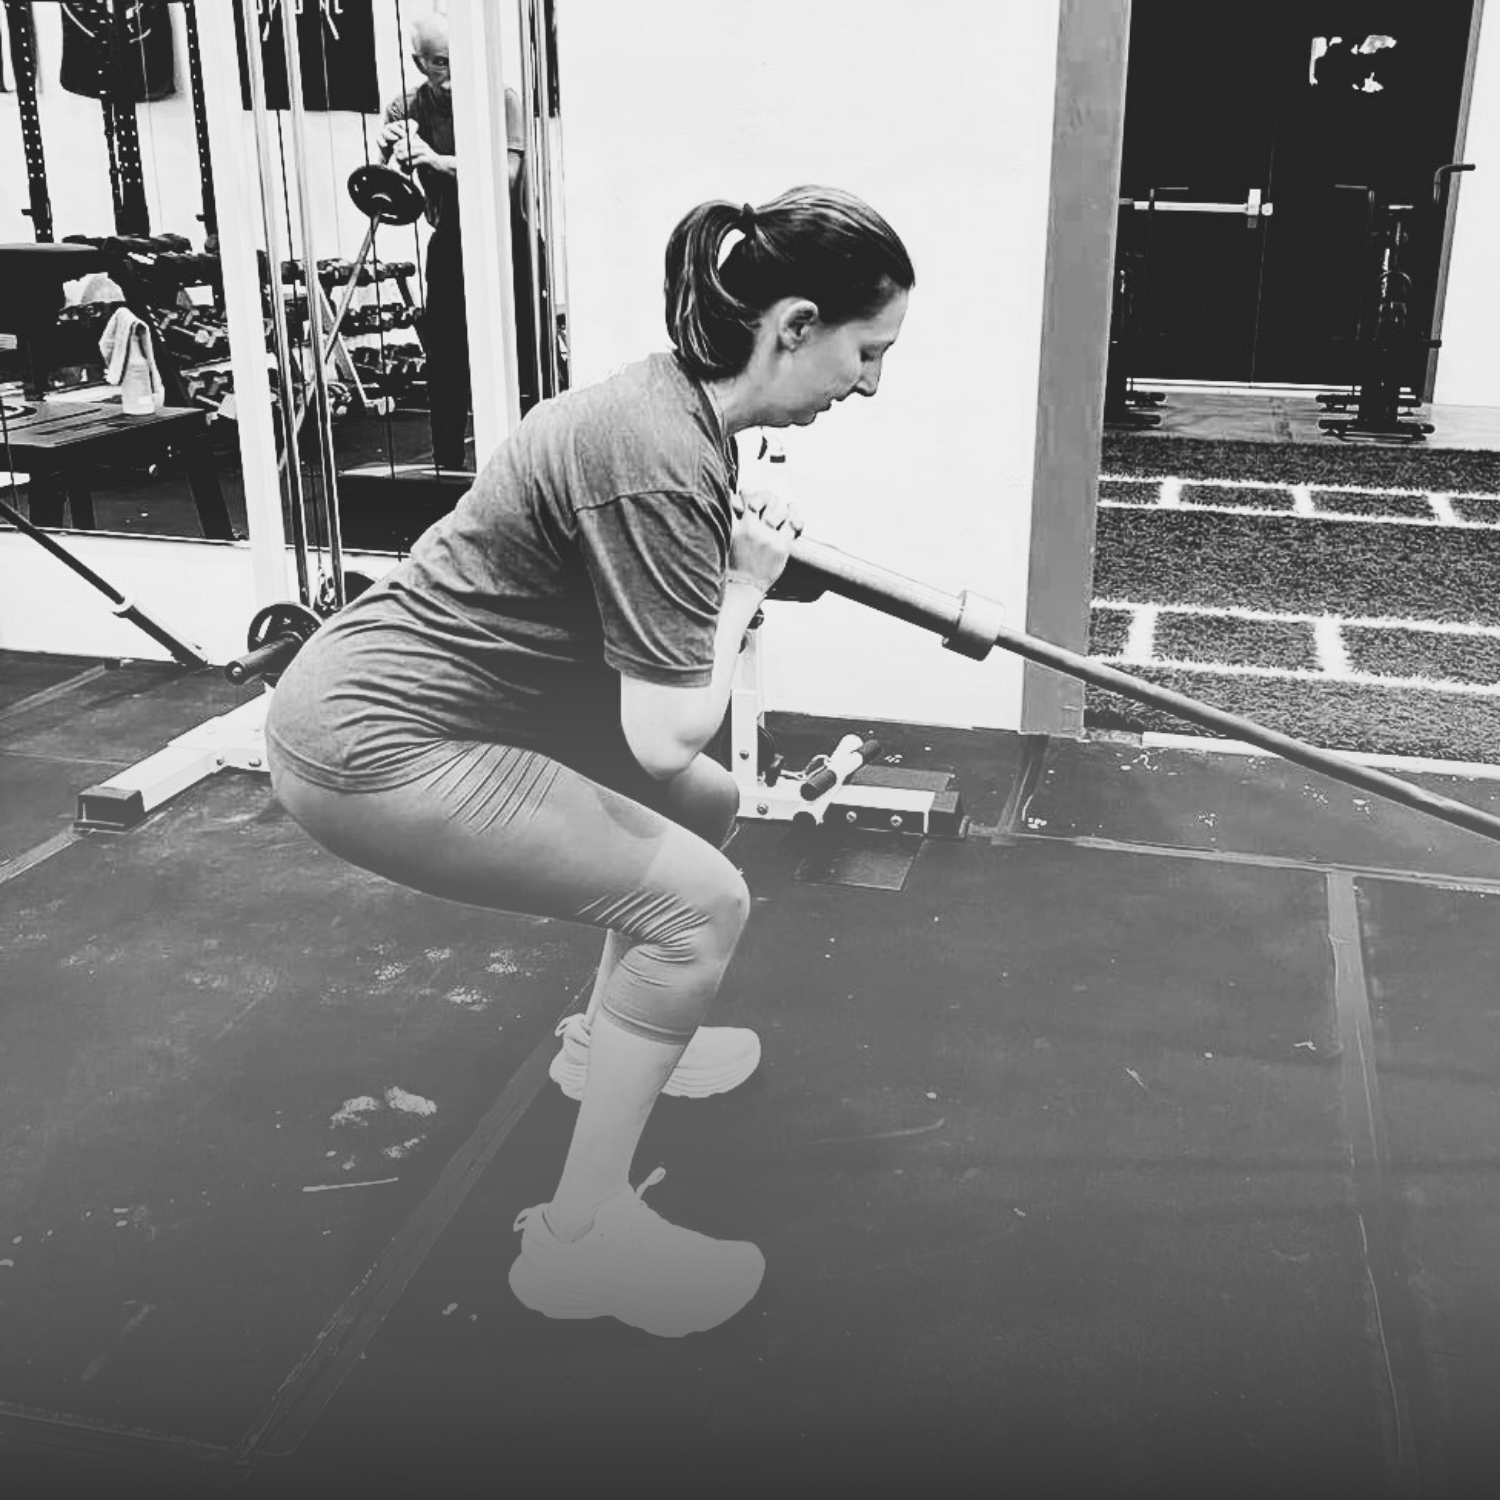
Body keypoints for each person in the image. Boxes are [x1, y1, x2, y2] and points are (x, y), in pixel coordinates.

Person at [265, 185, 914, 1338]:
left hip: (450, 700)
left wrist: (724, 554)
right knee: (702, 904)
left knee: (702, 810)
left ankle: (598, 1044)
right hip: (375, 742)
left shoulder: (677, 413)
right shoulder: (661, 455)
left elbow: (672, 759)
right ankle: (579, 1241)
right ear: (796, 325)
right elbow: (669, 727)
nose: (871, 385)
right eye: (869, 352)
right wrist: (742, 583)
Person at [377, 13, 534, 469]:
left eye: (457, 61)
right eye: (442, 63)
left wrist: (435, 159)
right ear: (419, 62)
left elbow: (504, 177)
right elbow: (392, 196)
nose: (452, 74)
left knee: (523, 358)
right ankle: (447, 468)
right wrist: (387, 154)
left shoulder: (501, 100)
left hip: (511, 239)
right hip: (449, 241)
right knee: (446, 360)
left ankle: (530, 469)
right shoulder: (404, 108)